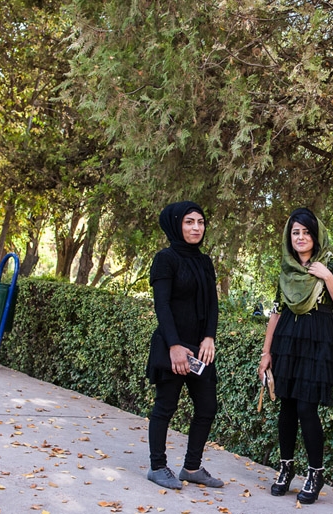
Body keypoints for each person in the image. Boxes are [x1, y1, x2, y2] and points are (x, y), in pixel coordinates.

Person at [258, 208, 333, 505]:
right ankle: (286, 468)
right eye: (295, 232)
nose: (300, 237)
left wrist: (327, 275)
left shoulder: (330, 262)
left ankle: (315, 473)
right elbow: (276, 312)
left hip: (318, 336)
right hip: (288, 336)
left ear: (316, 234)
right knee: (286, 406)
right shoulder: (287, 266)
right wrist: (266, 353)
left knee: (306, 408)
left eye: (306, 232)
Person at [145, 201, 224, 490]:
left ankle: (191, 467)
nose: (196, 228)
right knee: (165, 406)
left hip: (200, 349)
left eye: (200, 222)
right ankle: (157, 467)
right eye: (189, 222)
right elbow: (162, 305)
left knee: (207, 407)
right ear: (176, 225)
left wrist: (209, 336)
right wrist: (174, 345)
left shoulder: (205, 262)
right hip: (173, 347)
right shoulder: (165, 259)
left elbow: (212, 304)